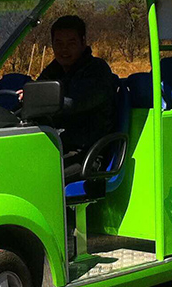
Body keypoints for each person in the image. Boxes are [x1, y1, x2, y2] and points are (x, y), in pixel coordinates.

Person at [35, 15, 118, 181]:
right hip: (58, 149)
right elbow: (38, 91)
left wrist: (40, 99)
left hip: (88, 155)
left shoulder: (97, 70)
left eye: (71, 43)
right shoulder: (55, 70)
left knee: (41, 178)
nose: (64, 49)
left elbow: (74, 102)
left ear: (83, 42)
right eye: (58, 43)